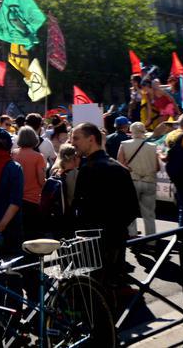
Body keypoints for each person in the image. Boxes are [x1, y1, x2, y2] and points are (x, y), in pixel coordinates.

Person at [70, 122, 138, 293]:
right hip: (116, 239)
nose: (73, 143)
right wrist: (117, 228)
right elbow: (132, 208)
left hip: (93, 242)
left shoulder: (87, 169)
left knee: (96, 291)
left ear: (91, 139)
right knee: (112, 288)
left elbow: (78, 207)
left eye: (76, 138)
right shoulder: (120, 169)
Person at [119, 122, 159, 238]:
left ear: (131, 131)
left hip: (132, 181)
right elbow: (157, 167)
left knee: (130, 212)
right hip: (149, 181)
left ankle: (133, 236)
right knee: (149, 214)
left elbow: (119, 164)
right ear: (143, 131)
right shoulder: (153, 146)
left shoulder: (124, 144)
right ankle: (151, 240)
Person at [13, 126, 46, 241]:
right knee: (32, 233)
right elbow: (41, 180)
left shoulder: (13, 154)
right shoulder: (38, 157)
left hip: (15, 199)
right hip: (33, 199)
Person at [48, 143, 81, 236]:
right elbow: (72, 196)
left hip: (56, 214)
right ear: (74, 158)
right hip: (69, 215)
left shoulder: (54, 171)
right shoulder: (75, 174)